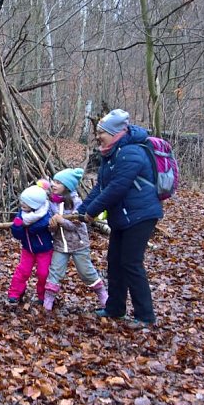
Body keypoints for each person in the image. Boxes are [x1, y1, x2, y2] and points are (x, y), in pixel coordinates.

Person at [78, 109, 163, 328]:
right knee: (115, 262)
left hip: (141, 215)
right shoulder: (111, 154)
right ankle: (115, 308)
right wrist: (81, 210)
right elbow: (101, 187)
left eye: (101, 132)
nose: (98, 136)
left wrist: (91, 212)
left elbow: (117, 188)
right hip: (123, 216)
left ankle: (145, 316)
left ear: (115, 133)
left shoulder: (131, 152)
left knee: (131, 262)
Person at [43, 168, 107, 311]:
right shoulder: (51, 202)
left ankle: (102, 294)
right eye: (53, 181)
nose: (53, 184)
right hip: (60, 244)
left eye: (58, 183)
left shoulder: (76, 202)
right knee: (55, 271)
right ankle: (48, 301)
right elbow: (51, 226)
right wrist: (52, 225)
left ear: (67, 186)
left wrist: (61, 221)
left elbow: (76, 225)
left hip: (78, 244)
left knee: (86, 272)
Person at [7, 185, 54, 306]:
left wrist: (31, 227)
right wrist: (17, 227)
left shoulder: (45, 214)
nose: (22, 204)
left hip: (44, 250)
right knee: (22, 271)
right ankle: (15, 294)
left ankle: (43, 296)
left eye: (26, 202)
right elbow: (18, 236)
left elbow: (41, 225)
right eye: (22, 201)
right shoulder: (22, 214)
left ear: (35, 204)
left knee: (43, 273)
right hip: (28, 249)